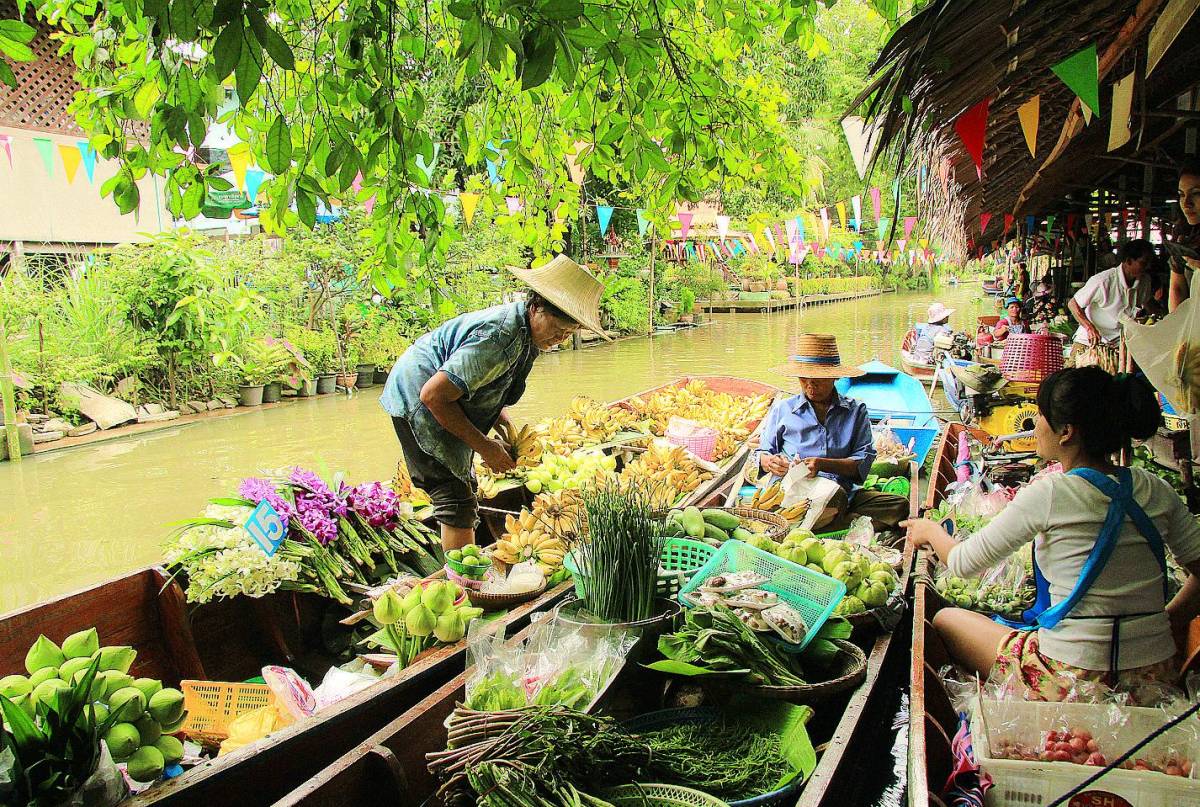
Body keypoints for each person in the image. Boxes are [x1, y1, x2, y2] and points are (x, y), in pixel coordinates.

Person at [904, 368, 1200, 699]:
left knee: (946, 619)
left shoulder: (1050, 494)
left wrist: (929, 530)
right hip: (1153, 672)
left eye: (1040, 414)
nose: (1035, 424)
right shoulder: (1156, 489)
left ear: (1066, 432)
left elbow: (963, 563)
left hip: (1070, 675)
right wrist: (1169, 620)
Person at [380, 254, 608, 550]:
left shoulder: (528, 337)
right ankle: (464, 584)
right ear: (536, 306)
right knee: (454, 497)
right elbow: (433, 395)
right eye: (558, 329)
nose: (560, 339)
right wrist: (486, 447)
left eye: (568, 334)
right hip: (418, 397)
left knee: (464, 486)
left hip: (439, 394)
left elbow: (487, 384)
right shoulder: (499, 338)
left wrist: (503, 423)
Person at [757, 334, 909, 534]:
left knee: (899, 505)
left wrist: (822, 464)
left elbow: (862, 463)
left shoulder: (856, 411)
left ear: (835, 377)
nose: (810, 385)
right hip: (795, 495)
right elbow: (761, 453)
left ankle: (827, 521)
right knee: (813, 508)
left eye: (818, 379)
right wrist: (767, 461)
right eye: (804, 379)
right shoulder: (783, 410)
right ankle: (839, 522)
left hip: (844, 493)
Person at [1068, 239, 1153, 369]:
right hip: (1090, 343)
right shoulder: (1103, 280)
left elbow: (1147, 304)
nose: (1147, 267)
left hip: (1120, 345)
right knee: (1074, 383)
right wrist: (1089, 328)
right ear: (1129, 261)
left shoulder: (1145, 281)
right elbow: (1073, 304)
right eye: (1143, 263)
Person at [1168, 163, 1200, 312]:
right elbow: (1177, 288)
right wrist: (1175, 329)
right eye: (1182, 194)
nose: (1186, 203)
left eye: (1196, 193)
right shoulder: (1185, 235)